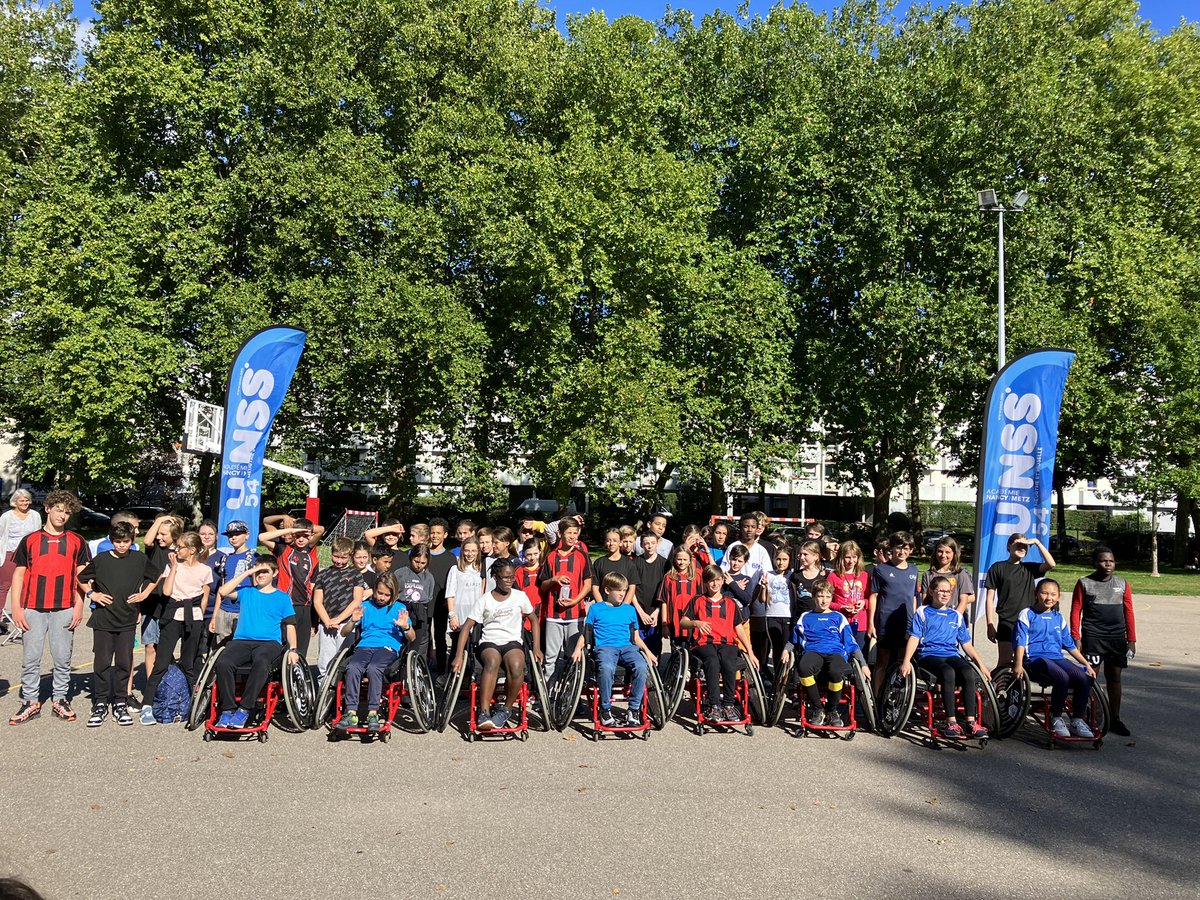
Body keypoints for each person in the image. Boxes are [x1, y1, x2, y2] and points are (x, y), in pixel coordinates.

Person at [8, 490, 90, 724]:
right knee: (31, 657)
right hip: (33, 607)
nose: (62, 515)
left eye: (66, 512)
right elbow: (19, 574)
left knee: (62, 657)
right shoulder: (31, 540)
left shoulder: (76, 541)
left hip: (64, 607)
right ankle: (30, 701)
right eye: (58, 510)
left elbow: (80, 577)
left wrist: (79, 606)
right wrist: (16, 606)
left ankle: (60, 698)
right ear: (47, 509)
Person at [78, 521, 158, 727]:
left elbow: (156, 576)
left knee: (124, 662)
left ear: (132, 541)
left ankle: (121, 701)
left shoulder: (139, 558)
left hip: (127, 619)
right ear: (111, 540)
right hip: (104, 619)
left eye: (125, 541)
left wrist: (144, 594)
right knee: (102, 663)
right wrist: (92, 594)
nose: (121, 545)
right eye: (117, 541)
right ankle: (101, 702)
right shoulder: (102, 559)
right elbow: (81, 577)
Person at [451, 559, 542, 731]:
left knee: (517, 665)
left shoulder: (520, 596)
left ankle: (505, 709)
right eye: (505, 577)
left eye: (512, 577)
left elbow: (534, 620)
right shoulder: (484, 600)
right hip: (489, 641)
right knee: (492, 661)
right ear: (495, 577)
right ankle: (484, 712)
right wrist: (458, 655)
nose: (510, 581)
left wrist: (536, 647)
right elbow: (467, 627)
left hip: (512, 641)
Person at [212, 556, 300, 730]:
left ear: (274, 573)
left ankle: (244, 709)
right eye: (257, 571)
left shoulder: (282, 598)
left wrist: (294, 649)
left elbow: (290, 626)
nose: (260, 574)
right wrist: (248, 572)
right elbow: (223, 591)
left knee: (261, 662)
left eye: (265, 571)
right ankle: (228, 709)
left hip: (269, 642)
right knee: (223, 662)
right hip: (242, 641)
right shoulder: (247, 592)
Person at [898, 575, 991, 739]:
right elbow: (914, 638)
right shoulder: (923, 612)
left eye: (948, 591)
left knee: (968, 673)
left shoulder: (956, 615)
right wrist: (906, 661)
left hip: (951, 653)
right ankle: (951, 722)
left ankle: (970, 722)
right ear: (932, 592)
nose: (945, 594)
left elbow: (966, 644)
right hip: (928, 654)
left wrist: (981, 665)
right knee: (948, 672)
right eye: (941, 591)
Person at [140, 532, 213, 724]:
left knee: (189, 664)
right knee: (161, 663)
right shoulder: (173, 566)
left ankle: (195, 704)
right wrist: (173, 568)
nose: (175, 549)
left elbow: (205, 597)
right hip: (173, 617)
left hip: (193, 618)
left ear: (192, 550)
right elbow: (166, 591)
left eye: (180, 547)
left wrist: (199, 616)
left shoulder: (205, 570)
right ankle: (147, 706)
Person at [1013, 579, 1097, 740]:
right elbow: (1020, 642)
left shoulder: (1058, 618)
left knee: (1082, 678)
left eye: (1053, 594)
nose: (1048, 597)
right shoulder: (1027, 614)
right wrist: (1018, 664)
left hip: (1057, 657)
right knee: (1062, 677)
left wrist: (1086, 664)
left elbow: (1070, 646)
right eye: (1044, 593)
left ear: (1058, 597)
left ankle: (1077, 720)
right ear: (1036, 594)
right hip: (1035, 659)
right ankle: (1056, 717)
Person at [571, 572, 657, 728]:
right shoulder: (596, 609)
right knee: (606, 668)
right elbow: (586, 632)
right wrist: (578, 648)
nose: (622, 594)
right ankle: (605, 709)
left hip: (628, 648)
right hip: (605, 647)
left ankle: (633, 709)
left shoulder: (629, 610)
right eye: (618, 590)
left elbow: (636, 637)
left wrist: (648, 652)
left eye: (624, 590)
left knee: (642, 667)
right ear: (607, 591)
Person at [336, 573, 415, 732]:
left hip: (388, 647)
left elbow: (412, 637)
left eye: (387, 595)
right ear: (374, 590)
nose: (382, 598)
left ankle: (373, 712)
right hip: (365, 645)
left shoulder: (399, 608)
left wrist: (405, 626)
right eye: (380, 593)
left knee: (374, 668)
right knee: (353, 667)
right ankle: (351, 712)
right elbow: (344, 633)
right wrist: (353, 621)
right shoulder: (366, 606)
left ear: (393, 594)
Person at [679, 564, 758, 722]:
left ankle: (728, 705)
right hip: (704, 644)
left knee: (729, 662)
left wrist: (750, 651)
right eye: (711, 581)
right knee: (713, 661)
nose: (714, 584)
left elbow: (739, 629)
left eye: (717, 580)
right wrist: (696, 623)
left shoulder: (730, 603)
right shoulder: (697, 601)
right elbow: (683, 622)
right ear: (705, 583)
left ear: (723, 580)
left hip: (726, 643)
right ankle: (714, 705)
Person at [1071, 547, 1136, 736]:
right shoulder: (1084, 583)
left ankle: (1114, 719)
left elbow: (1129, 612)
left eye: (1111, 561)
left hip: (1116, 638)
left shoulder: (1122, 584)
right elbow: (1076, 611)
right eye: (1103, 560)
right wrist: (1076, 637)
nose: (1108, 564)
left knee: (1115, 677)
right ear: (1094, 563)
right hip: (1093, 637)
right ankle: (1081, 717)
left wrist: (1131, 639)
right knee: (1089, 678)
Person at [782, 579, 864, 727]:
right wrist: (786, 650)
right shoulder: (805, 617)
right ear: (814, 597)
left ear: (831, 598)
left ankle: (832, 710)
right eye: (820, 596)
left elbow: (851, 643)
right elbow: (793, 639)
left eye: (827, 596)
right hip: (813, 651)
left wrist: (863, 664)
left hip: (835, 652)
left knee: (836, 671)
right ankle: (818, 709)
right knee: (804, 667)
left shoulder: (838, 617)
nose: (824, 600)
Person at [984, 532, 1056, 668]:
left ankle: (1019, 689)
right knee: (1004, 662)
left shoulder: (1029, 568)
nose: (1022, 548)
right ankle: (998, 688)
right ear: (1009, 546)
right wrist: (990, 624)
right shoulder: (998, 568)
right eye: (1018, 545)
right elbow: (989, 598)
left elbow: (1051, 564)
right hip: (1007, 621)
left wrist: (1037, 542)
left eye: (1025, 546)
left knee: (1023, 662)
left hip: (1027, 622)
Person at [538, 517, 593, 689]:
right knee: (551, 657)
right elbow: (542, 586)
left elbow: (588, 583)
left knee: (573, 657)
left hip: (575, 615)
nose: (572, 536)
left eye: (575, 533)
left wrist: (575, 600)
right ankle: (548, 695)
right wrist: (554, 579)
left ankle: (571, 697)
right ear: (559, 534)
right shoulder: (551, 557)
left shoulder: (582, 556)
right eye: (568, 533)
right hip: (554, 616)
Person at [260, 518, 320, 663]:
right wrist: (291, 530)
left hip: (305, 608)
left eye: (305, 536)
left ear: (311, 536)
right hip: (286, 605)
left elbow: (313, 589)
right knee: (285, 648)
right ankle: (280, 680)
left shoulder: (313, 558)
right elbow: (262, 537)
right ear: (293, 535)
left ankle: (298, 681)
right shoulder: (283, 550)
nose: (301, 539)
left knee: (301, 651)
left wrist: (314, 620)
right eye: (298, 536)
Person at [867, 531, 921, 691]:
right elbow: (874, 596)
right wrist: (871, 623)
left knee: (903, 661)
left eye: (906, 548)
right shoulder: (881, 569)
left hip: (906, 623)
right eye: (898, 548)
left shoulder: (914, 570)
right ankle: (876, 698)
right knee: (882, 661)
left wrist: (916, 621)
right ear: (892, 549)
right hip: (885, 623)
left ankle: (898, 697)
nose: (902, 552)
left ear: (911, 550)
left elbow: (913, 597)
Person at [137, 514, 182, 704]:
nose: (159, 537)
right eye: (158, 533)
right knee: (150, 646)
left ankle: (166, 683)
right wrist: (159, 519)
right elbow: (147, 539)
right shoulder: (154, 550)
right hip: (150, 603)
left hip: (169, 605)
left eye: (164, 534)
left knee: (165, 648)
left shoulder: (179, 553)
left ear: (175, 536)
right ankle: (151, 686)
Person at [312, 537, 363, 681]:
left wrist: (338, 620)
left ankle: (344, 691)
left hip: (346, 623)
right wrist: (327, 620)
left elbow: (357, 600)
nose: (339, 561)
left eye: (343, 558)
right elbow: (317, 601)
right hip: (326, 624)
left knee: (345, 659)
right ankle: (324, 691)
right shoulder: (323, 574)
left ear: (350, 556)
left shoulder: (355, 575)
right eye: (336, 556)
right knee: (324, 662)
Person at [750, 545, 795, 685]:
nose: (781, 562)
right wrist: (763, 588)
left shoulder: (792, 575)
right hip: (771, 616)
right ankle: (778, 680)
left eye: (784, 559)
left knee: (786, 648)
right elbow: (763, 600)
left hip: (788, 616)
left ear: (789, 560)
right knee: (776, 648)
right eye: (778, 559)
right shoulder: (768, 574)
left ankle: (787, 679)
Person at [0, 489, 41, 622]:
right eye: (21, 500)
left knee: (26, 585)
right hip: (10, 553)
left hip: (28, 555)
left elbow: (38, 535)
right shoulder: (6, 516)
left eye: (26, 500)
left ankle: (23, 614)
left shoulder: (35, 515)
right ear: (15, 502)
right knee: (4, 586)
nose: (25, 503)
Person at [425, 518, 457, 675]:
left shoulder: (451, 558)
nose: (435, 536)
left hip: (441, 603)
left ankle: (441, 670)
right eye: (432, 533)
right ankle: (422, 667)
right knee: (424, 636)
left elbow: (453, 582)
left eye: (438, 533)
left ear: (445, 535)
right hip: (424, 602)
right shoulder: (424, 554)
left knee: (440, 636)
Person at [211, 520, 253, 642]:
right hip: (224, 610)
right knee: (220, 648)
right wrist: (215, 616)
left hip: (243, 611)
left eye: (237, 534)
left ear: (247, 535)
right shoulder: (225, 558)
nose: (233, 538)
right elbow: (222, 587)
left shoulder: (254, 558)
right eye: (230, 535)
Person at [393, 546, 435, 664]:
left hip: (419, 612)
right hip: (403, 610)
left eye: (423, 563)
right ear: (411, 558)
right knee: (401, 642)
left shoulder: (428, 577)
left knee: (416, 644)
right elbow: (395, 592)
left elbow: (429, 596)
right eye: (416, 561)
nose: (419, 565)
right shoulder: (400, 573)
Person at [828, 540, 870, 651]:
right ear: (841, 557)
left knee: (858, 654)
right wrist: (840, 607)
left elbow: (871, 598)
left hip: (860, 623)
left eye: (854, 557)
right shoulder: (833, 576)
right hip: (840, 622)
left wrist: (864, 603)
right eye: (847, 557)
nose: (851, 561)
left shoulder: (865, 576)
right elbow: (826, 601)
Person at [446, 537, 485, 649]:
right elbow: (450, 594)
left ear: (478, 551)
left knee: (474, 648)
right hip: (459, 614)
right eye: (467, 550)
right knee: (457, 648)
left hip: (476, 613)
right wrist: (452, 616)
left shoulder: (481, 569)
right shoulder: (455, 569)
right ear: (462, 551)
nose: (470, 554)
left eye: (473, 551)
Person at [922, 537, 974, 618]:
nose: (943, 555)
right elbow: (925, 601)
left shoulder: (961, 574)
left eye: (947, 552)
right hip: (934, 618)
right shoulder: (928, 575)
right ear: (935, 552)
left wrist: (954, 620)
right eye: (940, 551)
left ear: (954, 554)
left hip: (955, 618)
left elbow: (963, 601)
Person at [633, 531, 667, 654]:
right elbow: (632, 590)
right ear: (641, 545)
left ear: (657, 543)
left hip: (655, 611)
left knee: (655, 643)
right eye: (646, 543)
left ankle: (654, 671)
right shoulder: (636, 562)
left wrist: (657, 611)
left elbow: (665, 591)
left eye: (653, 543)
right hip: (639, 610)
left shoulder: (664, 564)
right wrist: (640, 612)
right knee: (639, 644)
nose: (650, 546)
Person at [590, 528, 638, 605]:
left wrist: (624, 607)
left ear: (620, 543)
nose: (611, 543)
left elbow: (632, 588)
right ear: (605, 542)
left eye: (615, 541)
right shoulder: (599, 563)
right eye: (608, 540)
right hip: (604, 607)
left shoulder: (629, 564)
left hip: (621, 608)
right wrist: (602, 606)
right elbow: (595, 587)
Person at [720, 512, 773, 580]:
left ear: (756, 528)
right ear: (741, 528)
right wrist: (734, 584)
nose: (749, 530)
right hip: (732, 588)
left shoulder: (762, 551)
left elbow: (767, 575)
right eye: (746, 527)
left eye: (753, 527)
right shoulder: (732, 547)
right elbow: (723, 570)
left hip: (754, 590)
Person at [790, 540, 824, 616]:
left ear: (816, 556)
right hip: (800, 616)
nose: (802, 557)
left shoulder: (823, 576)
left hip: (818, 616)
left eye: (805, 554)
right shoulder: (796, 575)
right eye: (800, 554)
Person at [720, 545, 759, 610]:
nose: (736, 563)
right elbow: (718, 598)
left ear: (745, 562)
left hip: (741, 617)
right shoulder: (722, 577)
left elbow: (747, 600)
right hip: (725, 614)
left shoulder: (746, 579)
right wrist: (736, 587)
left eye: (740, 561)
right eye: (734, 559)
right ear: (729, 557)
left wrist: (732, 584)